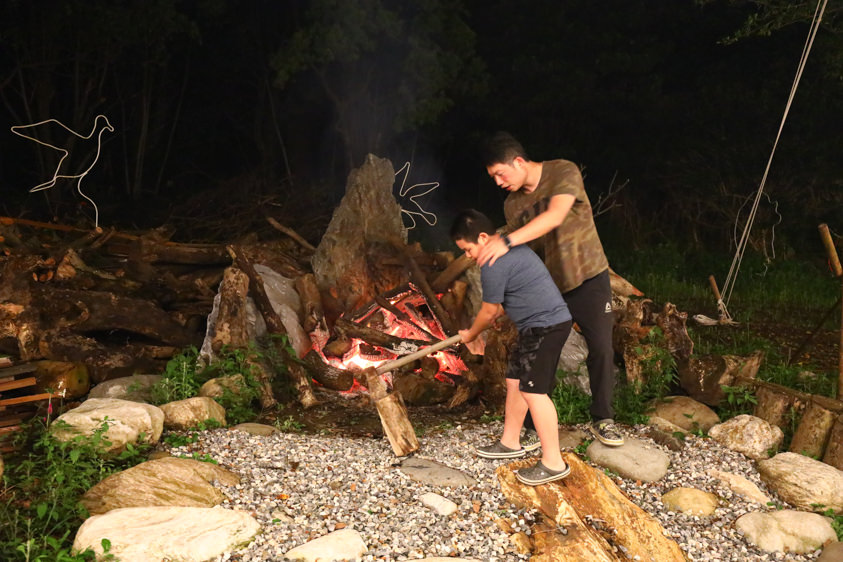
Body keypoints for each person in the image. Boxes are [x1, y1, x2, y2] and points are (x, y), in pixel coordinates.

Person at [476, 131, 624, 447]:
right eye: (494, 178)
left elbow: (555, 216)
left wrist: (505, 240)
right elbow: (522, 251)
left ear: (518, 161)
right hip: (549, 288)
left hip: (589, 277)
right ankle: (532, 427)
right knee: (542, 354)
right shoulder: (512, 205)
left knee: (601, 348)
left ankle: (603, 419)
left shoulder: (562, 171)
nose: (499, 182)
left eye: (500, 174)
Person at [452, 208, 573, 485]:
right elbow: (519, 292)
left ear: (482, 238)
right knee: (514, 381)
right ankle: (510, 442)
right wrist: (498, 317)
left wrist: (471, 334)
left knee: (534, 391)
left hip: (547, 326)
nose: (468, 256)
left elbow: (488, 311)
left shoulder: (493, 262)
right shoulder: (512, 248)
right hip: (535, 326)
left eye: (467, 249)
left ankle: (554, 462)